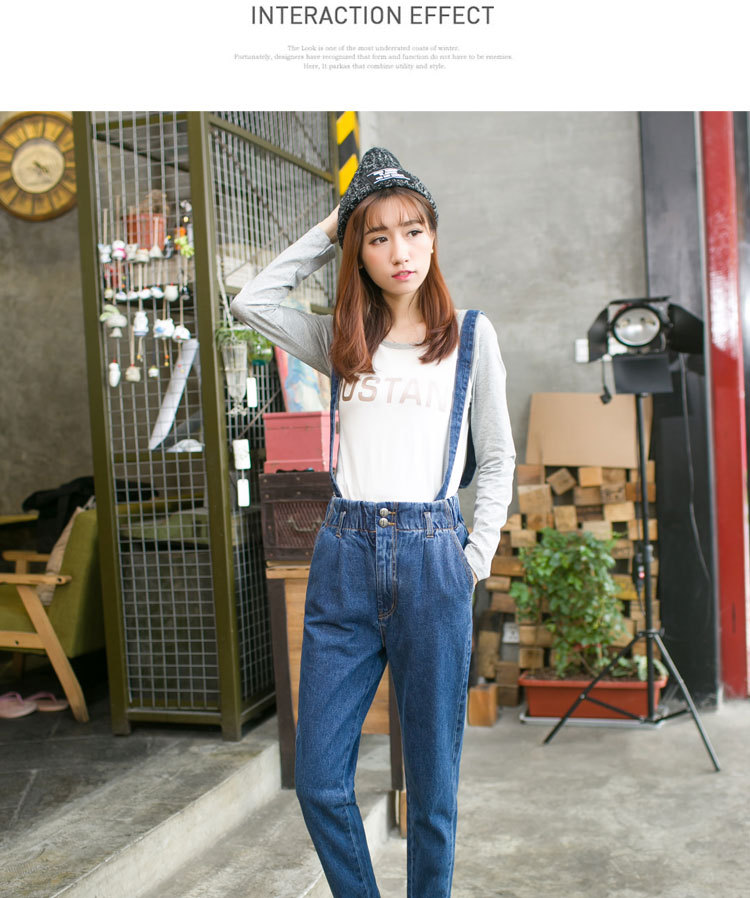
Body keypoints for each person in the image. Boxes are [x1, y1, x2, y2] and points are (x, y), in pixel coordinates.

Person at [230, 147, 515, 898]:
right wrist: (336, 223)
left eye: (413, 231)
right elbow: (251, 302)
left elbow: (497, 457)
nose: (399, 251)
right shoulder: (342, 339)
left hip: (433, 558)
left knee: (433, 791)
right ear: (359, 250)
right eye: (378, 237)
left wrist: (475, 556)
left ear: (433, 237)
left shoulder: (472, 338)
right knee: (320, 779)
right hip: (346, 558)